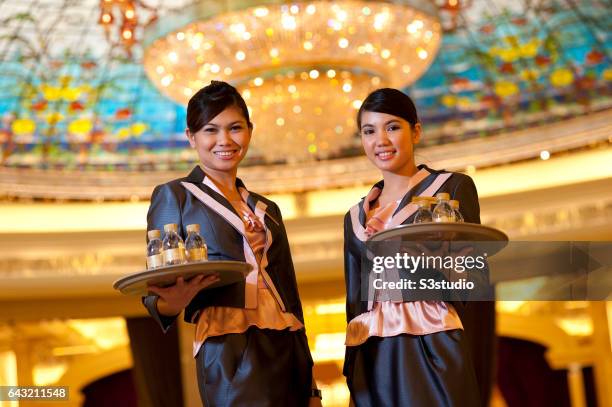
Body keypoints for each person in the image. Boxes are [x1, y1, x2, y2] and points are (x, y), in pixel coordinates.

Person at [142, 81, 322, 407]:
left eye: (235, 128)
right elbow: (156, 294)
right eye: (211, 130)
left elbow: (291, 298)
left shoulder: (268, 208)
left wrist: (311, 385)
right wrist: (175, 300)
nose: (225, 140)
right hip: (227, 342)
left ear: (250, 131)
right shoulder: (176, 196)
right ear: (191, 137)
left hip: (287, 342)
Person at [343, 88, 493, 406]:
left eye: (392, 127)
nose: (380, 140)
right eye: (369, 131)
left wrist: (432, 260)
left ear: (416, 131)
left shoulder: (451, 189)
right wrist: (351, 368)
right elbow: (355, 301)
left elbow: (476, 279)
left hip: (434, 337)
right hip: (372, 350)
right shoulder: (354, 217)